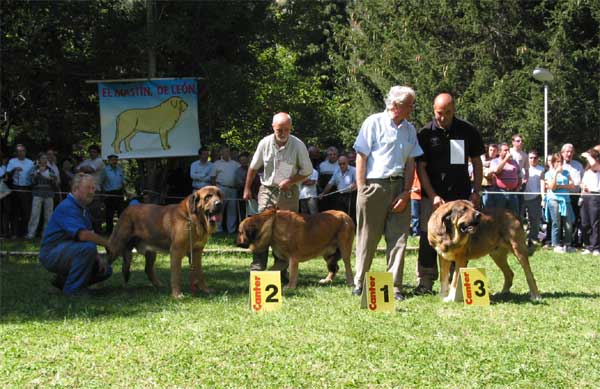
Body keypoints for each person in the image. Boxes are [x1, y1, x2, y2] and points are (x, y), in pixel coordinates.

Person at [352, 85, 423, 301]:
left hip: (399, 186)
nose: (412, 109)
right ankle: (360, 283)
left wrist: (406, 192)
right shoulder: (373, 122)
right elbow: (361, 156)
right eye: (409, 105)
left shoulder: (410, 129)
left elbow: (411, 163)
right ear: (396, 105)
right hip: (374, 186)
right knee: (367, 237)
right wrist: (362, 188)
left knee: (399, 237)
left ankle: (394, 287)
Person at [416, 92, 484, 294]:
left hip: (461, 197)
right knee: (427, 238)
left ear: (454, 110)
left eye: (447, 112)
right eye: (439, 113)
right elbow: (421, 168)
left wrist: (476, 190)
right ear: (433, 110)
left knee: (461, 239)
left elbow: (477, 163)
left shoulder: (467, 130)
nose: (442, 117)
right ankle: (425, 282)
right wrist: (433, 195)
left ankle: (456, 285)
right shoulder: (425, 133)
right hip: (433, 196)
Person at [243, 112, 312, 276]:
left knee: (285, 231)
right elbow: (253, 168)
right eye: (279, 130)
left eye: (286, 130)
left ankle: (280, 270)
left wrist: (291, 181)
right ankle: (258, 267)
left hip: (289, 192)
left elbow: (307, 171)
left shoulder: (298, 145)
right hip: (267, 190)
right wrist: (246, 189)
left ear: (290, 128)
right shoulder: (264, 143)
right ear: (273, 127)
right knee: (261, 229)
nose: (283, 133)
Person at [39, 173, 113, 295]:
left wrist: (97, 258)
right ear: (75, 189)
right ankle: (73, 290)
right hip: (51, 254)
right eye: (88, 188)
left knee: (105, 270)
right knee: (86, 249)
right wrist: (108, 243)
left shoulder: (82, 209)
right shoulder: (68, 207)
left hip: (68, 250)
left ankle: (64, 282)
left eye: (93, 188)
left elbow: (89, 236)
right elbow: (83, 235)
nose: (92, 191)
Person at [544, 152, 576, 253]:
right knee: (556, 223)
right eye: (558, 161)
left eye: (561, 161)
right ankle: (556, 244)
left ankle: (568, 244)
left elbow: (572, 186)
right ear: (553, 162)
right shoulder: (548, 173)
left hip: (566, 200)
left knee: (568, 224)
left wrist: (560, 186)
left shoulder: (566, 173)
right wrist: (556, 174)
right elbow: (552, 188)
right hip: (554, 200)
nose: (560, 164)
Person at [26, 153, 58, 239]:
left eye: (45, 158)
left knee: (49, 215)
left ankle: (46, 234)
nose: (44, 160)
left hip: (49, 194)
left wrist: (52, 179)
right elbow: (30, 180)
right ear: (39, 159)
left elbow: (55, 182)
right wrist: (38, 173)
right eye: (43, 158)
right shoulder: (34, 168)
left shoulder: (50, 169)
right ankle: (31, 234)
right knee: (34, 214)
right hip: (37, 194)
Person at [211, 146, 241, 234]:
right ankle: (218, 230)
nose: (226, 154)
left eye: (228, 152)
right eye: (224, 152)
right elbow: (213, 178)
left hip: (233, 189)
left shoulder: (235, 164)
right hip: (221, 188)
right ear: (221, 153)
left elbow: (243, 170)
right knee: (219, 209)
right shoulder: (216, 163)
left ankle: (231, 230)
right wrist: (215, 191)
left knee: (232, 210)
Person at [7, 144, 34, 237]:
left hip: (27, 188)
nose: (20, 153)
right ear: (16, 152)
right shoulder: (12, 161)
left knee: (26, 212)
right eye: (18, 151)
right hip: (15, 187)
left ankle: (24, 232)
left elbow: (33, 175)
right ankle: (14, 233)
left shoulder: (30, 162)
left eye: (22, 151)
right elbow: (7, 174)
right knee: (15, 211)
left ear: (25, 152)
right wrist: (14, 169)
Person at [486, 142, 521, 216]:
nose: (508, 152)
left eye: (508, 150)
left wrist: (518, 187)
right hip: (500, 193)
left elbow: (519, 175)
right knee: (499, 216)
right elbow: (497, 171)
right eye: (505, 150)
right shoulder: (495, 161)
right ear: (499, 152)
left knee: (515, 216)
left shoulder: (514, 162)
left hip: (512, 193)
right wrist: (505, 159)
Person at [76, 144, 105, 232]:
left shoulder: (100, 161)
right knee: (85, 210)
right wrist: (84, 168)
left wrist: (82, 169)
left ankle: (97, 231)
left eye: (94, 152)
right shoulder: (87, 161)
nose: (92, 153)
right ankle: (87, 230)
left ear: (98, 153)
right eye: (91, 152)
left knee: (95, 211)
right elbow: (76, 169)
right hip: (84, 189)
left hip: (95, 189)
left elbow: (90, 170)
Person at [319, 155, 357, 222]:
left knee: (351, 214)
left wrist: (354, 185)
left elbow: (358, 182)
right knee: (340, 214)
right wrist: (323, 193)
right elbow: (330, 183)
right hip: (340, 196)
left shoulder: (354, 170)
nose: (342, 165)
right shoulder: (337, 171)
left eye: (343, 163)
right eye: (340, 164)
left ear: (347, 162)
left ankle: (352, 229)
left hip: (351, 195)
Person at [561, 143, 584, 247]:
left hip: (576, 196)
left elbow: (583, 180)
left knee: (575, 219)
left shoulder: (578, 165)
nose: (569, 154)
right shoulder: (559, 165)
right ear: (562, 153)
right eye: (567, 152)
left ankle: (574, 241)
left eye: (571, 152)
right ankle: (561, 241)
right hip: (563, 196)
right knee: (562, 219)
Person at [580, 148, 600, 255]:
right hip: (586, 197)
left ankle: (596, 247)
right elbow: (582, 183)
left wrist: (588, 155)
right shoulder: (587, 170)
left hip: (595, 197)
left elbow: (595, 164)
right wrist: (583, 186)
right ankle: (588, 246)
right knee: (585, 222)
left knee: (595, 223)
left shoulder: (598, 167)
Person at [523, 150, 545, 247]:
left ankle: (533, 238)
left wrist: (543, 197)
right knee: (519, 218)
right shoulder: (523, 169)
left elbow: (542, 184)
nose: (533, 160)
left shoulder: (541, 169)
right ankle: (521, 238)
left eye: (535, 158)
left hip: (535, 198)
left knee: (534, 219)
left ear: (538, 159)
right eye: (531, 158)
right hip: (522, 197)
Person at [102, 154, 125, 235]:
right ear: (109, 161)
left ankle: (122, 231)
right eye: (112, 160)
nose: (114, 161)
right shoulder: (105, 170)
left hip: (119, 193)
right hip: (109, 194)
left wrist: (125, 191)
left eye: (115, 160)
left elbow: (123, 182)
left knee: (121, 213)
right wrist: (103, 194)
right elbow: (101, 182)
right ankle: (109, 232)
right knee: (109, 214)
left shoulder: (120, 169)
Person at [510, 134, 529, 217]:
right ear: (513, 142)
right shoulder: (508, 152)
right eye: (518, 141)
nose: (520, 142)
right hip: (508, 181)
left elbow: (527, 169)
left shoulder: (524, 155)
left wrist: (525, 180)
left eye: (521, 141)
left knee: (518, 206)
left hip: (519, 182)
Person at [481, 143, 498, 208]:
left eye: (494, 151)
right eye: (490, 150)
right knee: (486, 206)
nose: (492, 152)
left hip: (497, 188)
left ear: (497, 152)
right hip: (485, 188)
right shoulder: (483, 162)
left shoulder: (499, 161)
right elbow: (486, 174)